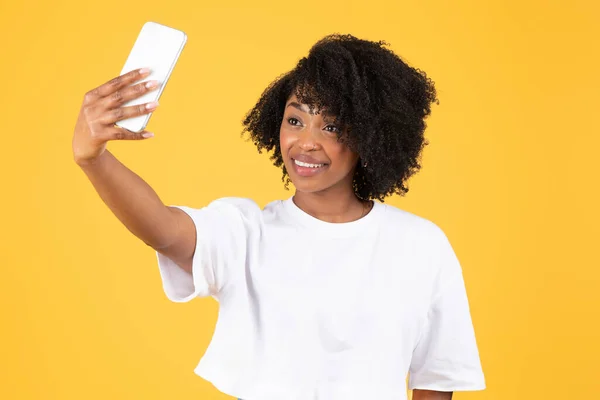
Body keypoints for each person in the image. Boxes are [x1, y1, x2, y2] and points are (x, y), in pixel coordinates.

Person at [73, 34, 485, 400]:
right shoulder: (246, 232)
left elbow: (436, 375)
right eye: (295, 120)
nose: (305, 143)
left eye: (333, 127)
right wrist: (94, 160)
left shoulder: (420, 245)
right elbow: (163, 230)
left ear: (371, 136)